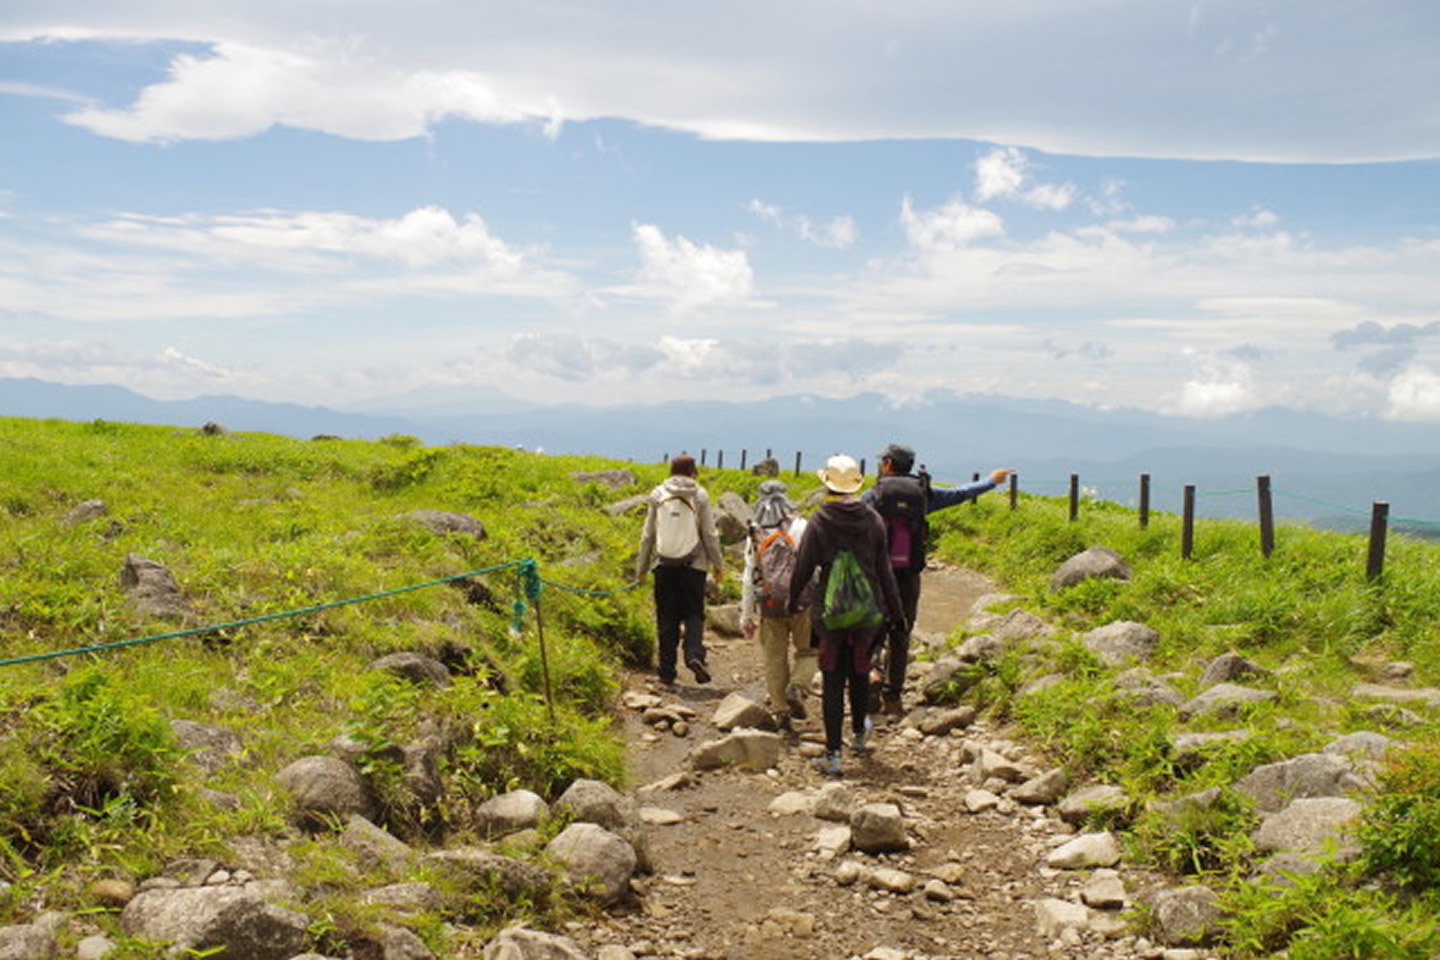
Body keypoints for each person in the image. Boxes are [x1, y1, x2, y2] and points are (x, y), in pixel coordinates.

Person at [863, 442, 1013, 715]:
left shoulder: (873, 495)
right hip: (909, 574)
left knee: (873, 629)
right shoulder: (922, 494)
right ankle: (893, 698)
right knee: (901, 632)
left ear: (887, 464)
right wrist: (992, 481)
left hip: (877, 575)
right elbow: (959, 494)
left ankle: (872, 673)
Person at [790, 454, 901, 777]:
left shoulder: (819, 521)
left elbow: (804, 567)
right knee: (860, 674)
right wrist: (895, 612)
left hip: (831, 613)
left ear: (827, 484)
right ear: (855, 484)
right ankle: (858, 737)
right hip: (868, 613)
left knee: (834, 680)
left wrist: (793, 601)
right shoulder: (873, 520)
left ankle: (833, 756)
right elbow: (884, 571)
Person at [635, 455, 725, 686]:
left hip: (664, 565)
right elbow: (709, 534)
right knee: (694, 614)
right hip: (694, 566)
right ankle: (694, 655)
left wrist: (642, 568)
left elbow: (648, 536)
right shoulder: (700, 495)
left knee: (666, 618)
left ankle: (666, 672)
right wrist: (718, 565)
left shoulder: (657, 494)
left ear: (670, 471)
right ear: (693, 472)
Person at [740, 480, 815, 727]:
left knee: (774, 658)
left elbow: (750, 576)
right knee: (810, 650)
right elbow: (816, 566)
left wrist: (746, 615)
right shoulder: (802, 526)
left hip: (770, 604)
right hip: (802, 601)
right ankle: (798, 686)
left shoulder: (755, 531)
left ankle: (781, 711)